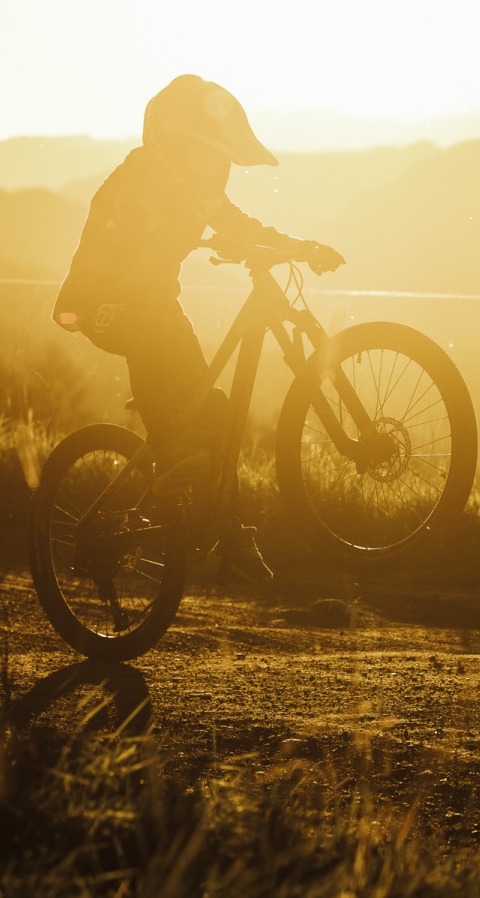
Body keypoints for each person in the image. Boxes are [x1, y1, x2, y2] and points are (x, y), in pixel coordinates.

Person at [52, 74, 344, 581]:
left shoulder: (194, 192)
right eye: (209, 154)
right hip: (99, 305)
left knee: (216, 413)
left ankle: (224, 528)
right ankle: (170, 456)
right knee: (151, 334)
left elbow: (237, 222)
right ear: (176, 144)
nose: (218, 168)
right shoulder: (139, 174)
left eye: (222, 159)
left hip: (158, 306)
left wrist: (300, 248)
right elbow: (144, 227)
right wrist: (220, 237)